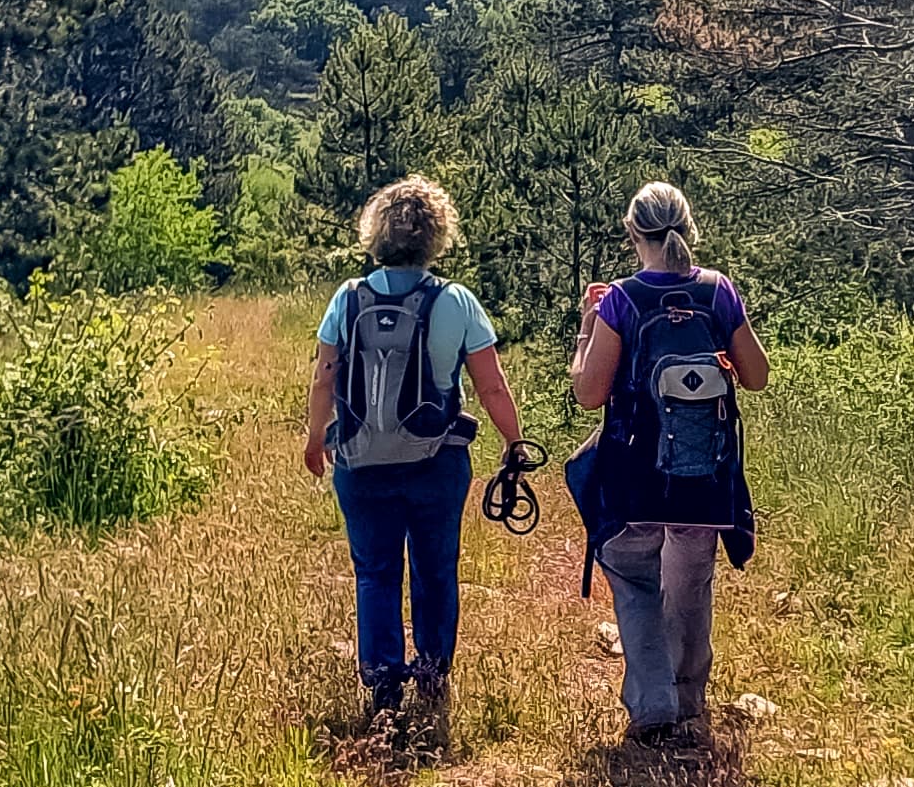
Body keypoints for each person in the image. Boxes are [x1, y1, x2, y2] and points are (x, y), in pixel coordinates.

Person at [305, 175, 521, 747]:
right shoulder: (454, 301)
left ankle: (381, 688)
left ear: (375, 233)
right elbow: (491, 386)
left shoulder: (348, 298)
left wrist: (314, 438)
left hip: (360, 460)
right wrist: (513, 440)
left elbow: (325, 375)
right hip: (436, 461)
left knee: (375, 573)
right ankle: (432, 677)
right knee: (434, 570)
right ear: (436, 236)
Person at [567, 180, 767, 739]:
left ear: (634, 233)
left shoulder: (623, 301)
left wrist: (587, 327)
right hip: (705, 476)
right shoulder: (718, 291)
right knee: (690, 585)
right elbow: (757, 376)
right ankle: (689, 701)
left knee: (633, 580)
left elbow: (589, 394)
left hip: (636, 476)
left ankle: (653, 705)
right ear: (688, 225)